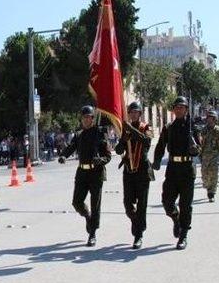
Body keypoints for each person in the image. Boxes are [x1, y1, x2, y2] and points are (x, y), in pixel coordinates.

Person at [58, 106, 111, 247]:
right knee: (76, 202)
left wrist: (100, 160)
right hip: (82, 172)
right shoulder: (79, 134)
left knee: (95, 204)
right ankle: (87, 217)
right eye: (84, 117)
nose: (87, 120)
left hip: (96, 172)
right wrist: (63, 155)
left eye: (89, 117)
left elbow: (108, 156)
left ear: (93, 119)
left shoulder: (100, 133)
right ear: (81, 119)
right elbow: (71, 147)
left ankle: (92, 233)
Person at [152, 96, 201, 250]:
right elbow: (160, 146)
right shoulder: (169, 127)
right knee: (167, 201)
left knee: (186, 205)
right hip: (172, 168)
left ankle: (183, 235)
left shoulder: (193, 127)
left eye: (182, 107)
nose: (179, 110)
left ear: (186, 109)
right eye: (177, 107)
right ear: (173, 110)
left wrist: (195, 150)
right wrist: (157, 161)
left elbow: (199, 147)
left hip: (187, 168)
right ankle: (176, 219)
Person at [114, 101, 153, 249]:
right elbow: (118, 150)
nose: (133, 114)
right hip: (129, 171)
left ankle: (138, 235)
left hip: (142, 171)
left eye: (136, 112)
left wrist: (132, 130)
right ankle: (136, 222)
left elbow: (146, 141)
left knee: (142, 204)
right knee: (128, 204)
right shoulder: (126, 130)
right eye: (131, 112)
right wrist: (123, 138)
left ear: (140, 114)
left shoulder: (146, 127)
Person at [199, 110, 219, 202]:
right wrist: (199, 154)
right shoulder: (203, 130)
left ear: (215, 119)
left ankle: (211, 193)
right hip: (205, 155)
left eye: (211, 118)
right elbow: (200, 143)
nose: (209, 119)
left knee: (214, 174)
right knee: (204, 174)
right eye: (208, 118)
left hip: (215, 155)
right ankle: (208, 186)